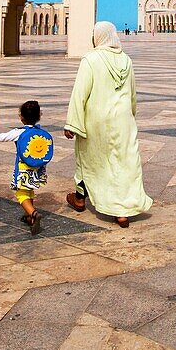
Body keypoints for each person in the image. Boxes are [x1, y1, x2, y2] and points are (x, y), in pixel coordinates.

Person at [63, 22, 152, 228]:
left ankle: (79, 198)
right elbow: (132, 93)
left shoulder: (91, 59)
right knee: (124, 163)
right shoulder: (126, 60)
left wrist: (72, 124)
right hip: (122, 120)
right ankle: (123, 212)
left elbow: (80, 94)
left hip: (97, 120)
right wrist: (131, 116)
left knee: (89, 159)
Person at [0, 100, 53, 235]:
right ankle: (29, 216)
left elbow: (0, 138)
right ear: (40, 115)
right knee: (29, 190)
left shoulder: (19, 132)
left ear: (21, 117)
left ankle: (33, 213)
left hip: (23, 169)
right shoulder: (40, 131)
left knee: (21, 193)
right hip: (37, 170)